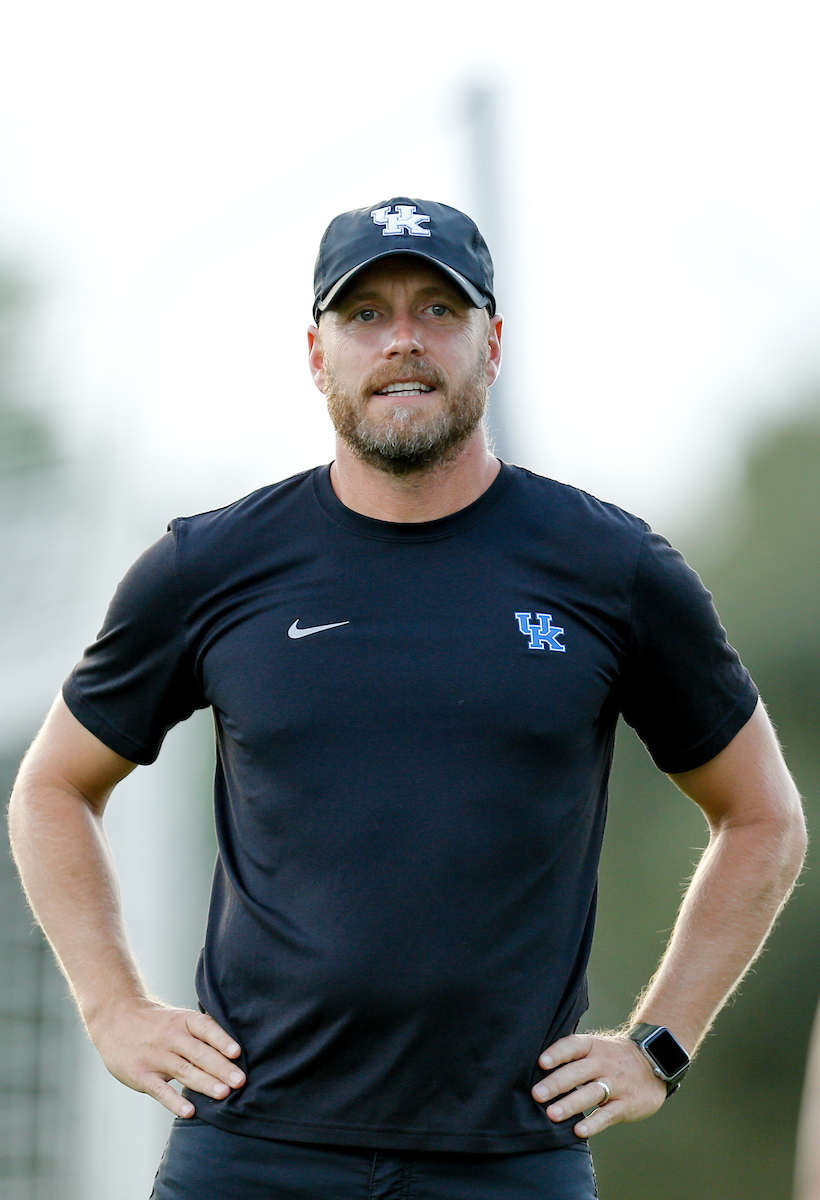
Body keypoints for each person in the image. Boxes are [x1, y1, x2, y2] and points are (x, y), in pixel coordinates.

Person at [8, 197, 806, 1200]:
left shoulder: (610, 567)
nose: (402, 341)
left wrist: (659, 1045)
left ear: (492, 341)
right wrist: (112, 1008)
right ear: (316, 351)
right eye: (365, 314)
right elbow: (51, 792)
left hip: (509, 1161)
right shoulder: (208, 567)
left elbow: (764, 816)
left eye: (438, 310)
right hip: (253, 1154)